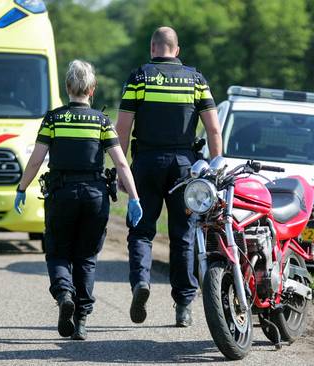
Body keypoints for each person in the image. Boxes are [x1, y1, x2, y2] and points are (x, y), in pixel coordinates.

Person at [14, 60, 142, 341]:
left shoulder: (53, 120)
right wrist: (134, 197)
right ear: (92, 89)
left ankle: (63, 295)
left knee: (58, 251)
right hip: (95, 196)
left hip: (61, 194)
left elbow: (36, 161)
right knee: (86, 258)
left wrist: (22, 188)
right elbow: (121, 163)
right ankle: (81, 320)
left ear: (68, 87)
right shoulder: (102, 121)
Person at [116, 26, 223, 327]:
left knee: (141, 230)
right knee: (183, 234)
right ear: (176, 50)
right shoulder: (196, 80)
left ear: (153, 48)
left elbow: (122, 129)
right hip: (184, 167)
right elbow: (213, 130)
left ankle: (140, 283)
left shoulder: (138, 78)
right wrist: (213, 170)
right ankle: (184, 306)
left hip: (146, 163)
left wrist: (120, 170)